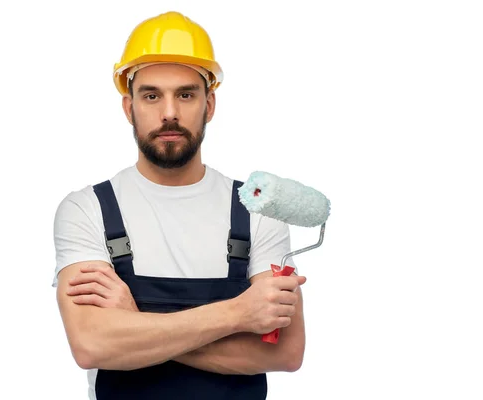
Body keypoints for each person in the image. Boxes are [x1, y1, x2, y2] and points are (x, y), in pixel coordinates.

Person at [52, 11, 307, 400]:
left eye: (185, 94)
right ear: (128, 108)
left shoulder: (257, 211)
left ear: (210, 105)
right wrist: (239, 315)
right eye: (151, 95)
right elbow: (92, 345)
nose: (169, 112)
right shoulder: (86, 209)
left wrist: (135, 325)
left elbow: (286, 352)